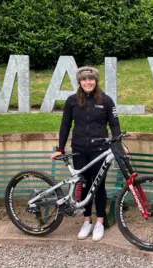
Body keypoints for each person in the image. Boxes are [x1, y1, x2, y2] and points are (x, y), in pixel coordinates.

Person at [51, 66, 121, 241]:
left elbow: (114, 124)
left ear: (96, 81)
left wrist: (118, 145)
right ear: (79, 82)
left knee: (99, 186)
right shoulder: (72, 101)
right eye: (84, 79)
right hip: (79, 150)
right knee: (84, 185)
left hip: (100, 151)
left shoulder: (106, 100)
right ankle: (87, 221)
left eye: (91, 79)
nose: (87, 82)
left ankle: (99, 222)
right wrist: (60, 148)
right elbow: (65, 125)